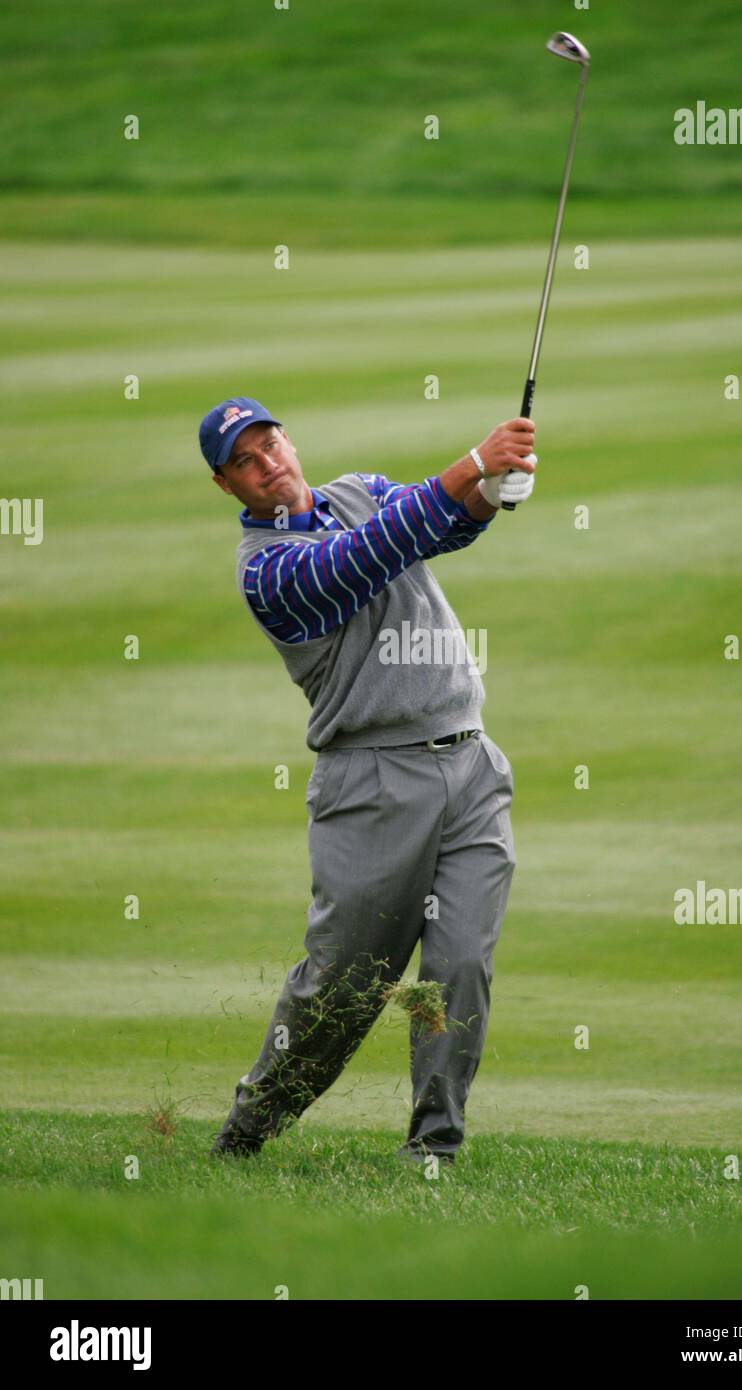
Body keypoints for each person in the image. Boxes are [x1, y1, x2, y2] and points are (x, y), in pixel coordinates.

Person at [199, 396, 536, 1164]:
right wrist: (473, 466)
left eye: (271, 443)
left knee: (459, 970)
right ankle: (249, 1129)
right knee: (341, 992)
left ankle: (434, 1152)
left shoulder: (358, 491)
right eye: (245, 461)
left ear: (289, 440)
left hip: (472, 765)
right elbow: (368, 555)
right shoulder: (269, 573)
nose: (268, 464)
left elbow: (443, 521)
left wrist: (492, 491)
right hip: (372, 786)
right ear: (227, 486)